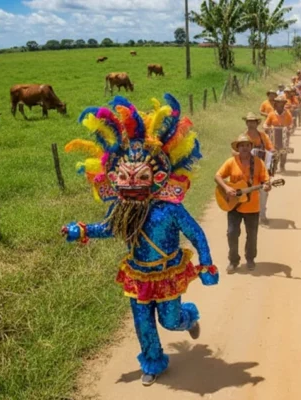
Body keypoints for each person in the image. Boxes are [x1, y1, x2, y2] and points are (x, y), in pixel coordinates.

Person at [62, 94, 219, 386]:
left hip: (167, 272)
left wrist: (206, 264)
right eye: (125, 176)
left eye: (140, 175)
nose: (131, 182)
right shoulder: (121, 208)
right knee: (143, 324)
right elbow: (109, 229)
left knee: (170, 321)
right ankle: (153, 361)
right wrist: (80, 230)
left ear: (158, 175)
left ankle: (188, 318)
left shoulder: (170, 208)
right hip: (137, 274)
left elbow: (196, 234)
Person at [215, 134, 271, 274]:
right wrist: (227, 188)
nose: (245, 148)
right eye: (242, 145)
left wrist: (267, 186)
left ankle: (250, 259)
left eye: (247, 145)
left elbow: (266, 181)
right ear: (238, 148)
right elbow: (217, 176)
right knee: (232, 233)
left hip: (252, 206)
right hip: (234, 206)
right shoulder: (231, 162)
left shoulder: (258, 163)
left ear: (251, 147)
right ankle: (233, 260)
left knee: (252, 235)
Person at [237, 112, 275, 225]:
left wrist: (272, 153)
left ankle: (262, 215)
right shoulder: (242, 137)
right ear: (246, 123)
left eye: (253, 121)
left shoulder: (263, 136)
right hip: (245, 170)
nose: (251, 124)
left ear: (257, 123)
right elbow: (234, 151)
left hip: (261, 170)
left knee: (263, 192)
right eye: (249, 121)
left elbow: (271, 148)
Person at [263, 95, 294, 172]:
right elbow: (265, 124)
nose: (280, 105)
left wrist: (289, 128)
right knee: (274, 151)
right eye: (278, 103)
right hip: (273, 136)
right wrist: (266, 127)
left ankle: (282, 165)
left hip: (284, 135)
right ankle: (274, 165)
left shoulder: (287, 113)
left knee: (284, 152)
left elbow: (291, 124)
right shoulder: (271, 114)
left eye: (281, 103)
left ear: (284, 104)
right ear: (275, 104)